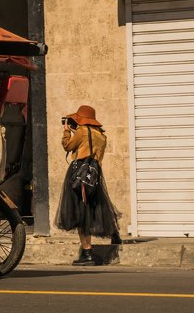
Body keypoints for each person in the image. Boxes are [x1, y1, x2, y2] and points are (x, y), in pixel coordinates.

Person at [55, 104, 121, 266]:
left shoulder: (82, 131)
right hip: (94, 175)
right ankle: (114, 234)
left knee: (80, 213)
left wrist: (66, 131)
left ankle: (87, 253)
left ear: (82, 120)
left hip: (79, 174)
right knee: (95, 208)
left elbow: (67, 146)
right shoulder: (101, 136)